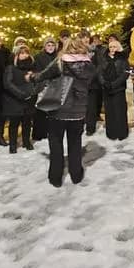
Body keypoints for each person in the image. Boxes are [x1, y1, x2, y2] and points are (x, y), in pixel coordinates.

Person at [32, 37, 96, 186]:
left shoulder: (60, 62)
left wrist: (32, 77)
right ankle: (76, 175)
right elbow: (92, 82)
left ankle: (55, 177)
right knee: (75, 142)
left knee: (55, 143)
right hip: (79, 110)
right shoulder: (89, 65)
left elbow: (42, 75)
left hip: (58, 109)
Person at [2, 44, 36, 153]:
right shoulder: (11, 67)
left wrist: (32, 92)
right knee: (14, 123)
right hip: (15, 99)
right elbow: (8, 83)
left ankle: (26, 141)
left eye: (26, 53)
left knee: (27, 122)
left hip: (29, 99)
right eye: (22, 53)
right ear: (17, 55)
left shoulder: (31, 68)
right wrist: (20, 94)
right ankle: (13, 144)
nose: (25, 55)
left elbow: (36, 81)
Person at [100, 38, 129, 140]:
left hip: (118, 89)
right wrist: (104, 83)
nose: (112, 49)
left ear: (118, 47)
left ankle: (121, 133)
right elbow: (99, 73)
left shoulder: (122, 59)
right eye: (110, 47)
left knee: (119, 111)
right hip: (107, 89)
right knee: (110, 111)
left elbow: (125, 74)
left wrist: (114, 84)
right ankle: (111, 133)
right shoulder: (104, 58)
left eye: (114, 46)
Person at [32, 37, 58, 141]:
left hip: (55, 86)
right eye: (48, 45)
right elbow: (37, 71)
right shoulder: (38, 57)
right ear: (45, 46)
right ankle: (39, 133)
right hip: (43, 85)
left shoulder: (58, 57)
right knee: (41, 110)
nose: (50, 47)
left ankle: (51, 131)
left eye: (52, 45)